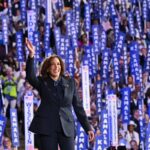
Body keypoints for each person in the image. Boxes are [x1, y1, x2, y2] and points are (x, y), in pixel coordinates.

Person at [25, 38, 95, 150]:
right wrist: (31, 55)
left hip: (66, 128)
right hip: (47, 127)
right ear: (48, 69)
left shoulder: (70, 82)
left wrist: (88, 127)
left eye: (58, 64)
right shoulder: (42, 82)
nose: (56, 67)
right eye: (52, 64)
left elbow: (78, 107)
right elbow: (30, 77)